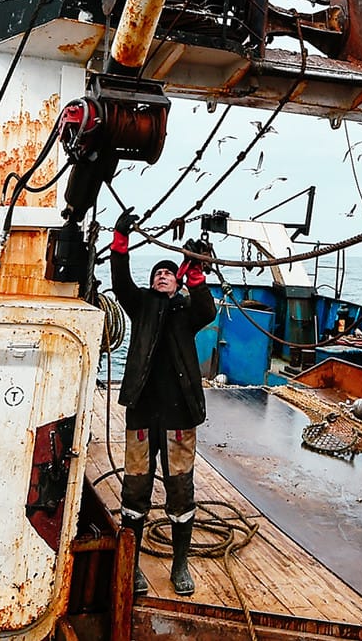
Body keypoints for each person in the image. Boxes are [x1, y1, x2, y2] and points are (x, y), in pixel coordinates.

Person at [108, 209, 216, 597]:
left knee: (180, 490)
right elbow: (120, 281)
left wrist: (197, 273)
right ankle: (131, 564)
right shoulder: (140, 305)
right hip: (142, 412)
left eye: (169, 273)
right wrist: (120, 241)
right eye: (157, 273)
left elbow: (208, 308)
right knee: (135, 491)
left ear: (178, 281)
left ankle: (180, 564)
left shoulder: (188, 312)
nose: (161, 276)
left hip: (179, 416)